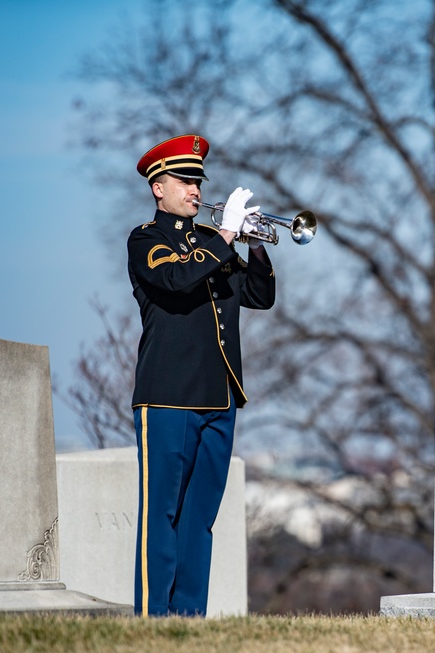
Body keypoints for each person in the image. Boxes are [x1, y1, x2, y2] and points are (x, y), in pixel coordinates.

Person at [127, 134, 275, 617]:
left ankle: (189, 619)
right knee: (161, 515)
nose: (195, 189)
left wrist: (253, 245)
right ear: (158, 188)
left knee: (199, 519)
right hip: (167, 395)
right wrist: (226, 236)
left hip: (220, 396)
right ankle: (153, 618)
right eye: (185, 180)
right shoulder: (146, 240)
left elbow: (258, 297)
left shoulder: (213, 244)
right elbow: (176, 279)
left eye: (197, 180)